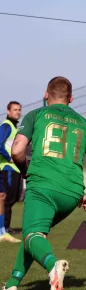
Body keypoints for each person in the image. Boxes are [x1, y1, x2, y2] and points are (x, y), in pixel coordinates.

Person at [0, 77, 86, 290]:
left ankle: (53, 267)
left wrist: (24, 170)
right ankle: (12, 284)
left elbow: (18, 150)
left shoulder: (35, 115)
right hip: (73, 193)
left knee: (32, 234)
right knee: (34, 233)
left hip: (43, 186)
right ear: (71, 98)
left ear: (46, 95)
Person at [0, 101, 22, 243]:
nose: (18, 112)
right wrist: (9, 159)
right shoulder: (6, 126)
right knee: (6, 198)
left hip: (14, 169)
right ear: (8, 111)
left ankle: (5, 228)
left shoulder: (14, 127)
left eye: (19, 110)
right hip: (7, 168)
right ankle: (4, 229)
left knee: (10, 198)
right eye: (15, 110)